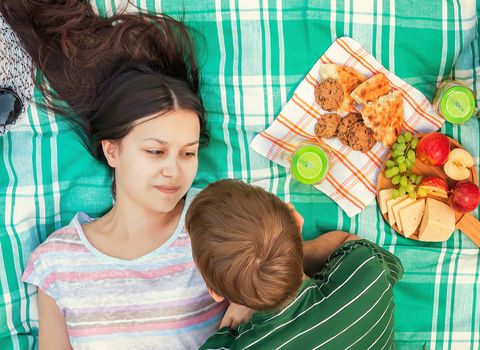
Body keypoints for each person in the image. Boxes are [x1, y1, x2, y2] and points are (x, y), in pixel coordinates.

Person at [1, 1, 250, 349]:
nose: (174, 171)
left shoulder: (214, 217)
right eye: (155, 151)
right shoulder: (56, 260)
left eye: (188, 153)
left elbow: (291, 253)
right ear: (112, 150)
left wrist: (250, 296)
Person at [186, 179, 404, 349]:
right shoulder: (367, 274)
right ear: (297, 221)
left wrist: (251, 296)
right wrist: (290, 254)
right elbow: (351, 243)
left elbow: (226, 332)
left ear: (215, 293)